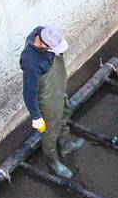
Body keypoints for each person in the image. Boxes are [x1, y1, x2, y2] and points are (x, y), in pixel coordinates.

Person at [20, 25, 85, 178]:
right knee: (50, 131)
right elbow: (29, 92)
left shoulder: (41, 31)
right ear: (43, 45)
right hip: (47, 100)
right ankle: (52, 161)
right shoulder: (31, 62)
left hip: (58, 90)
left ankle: (66, 145)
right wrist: (36, 116)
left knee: (64, 114)